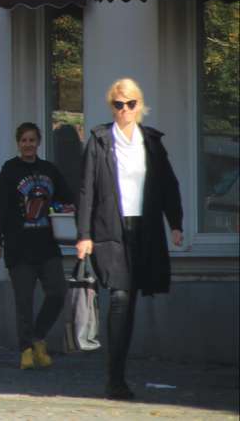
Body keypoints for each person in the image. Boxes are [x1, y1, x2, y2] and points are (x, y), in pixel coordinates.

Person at [76, 78, 183, 401]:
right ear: (112, 106)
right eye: (118, 105)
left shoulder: (151, 142)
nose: (124, 110)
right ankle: (115, 378)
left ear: (140, 106)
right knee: (120, 298)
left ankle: (118, 370)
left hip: (144, 230)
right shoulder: (99, 140)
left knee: (131, 299)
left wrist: (175, 224)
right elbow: (86, 189)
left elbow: (168, 184)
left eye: (130, 104)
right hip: (110, 229)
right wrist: (83, 235)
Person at [0, 122, 73, 370]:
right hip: (19, 246)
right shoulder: (9, 170)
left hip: (47, 244)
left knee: (57, 292)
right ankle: (26, 349)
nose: (28, 144)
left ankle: (38, 337)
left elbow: (65, 198)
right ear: (18, 143)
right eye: (24, 140)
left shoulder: (49, 170)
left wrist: (68, 209)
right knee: (24, 302)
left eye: (32, 140)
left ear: (38, 143)